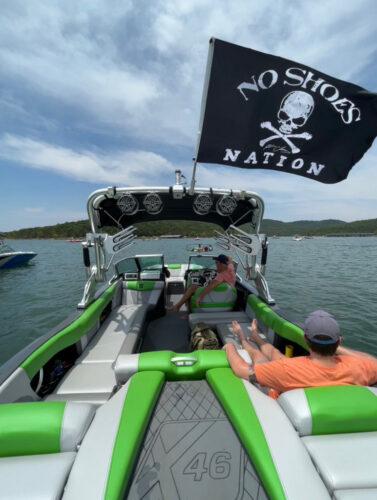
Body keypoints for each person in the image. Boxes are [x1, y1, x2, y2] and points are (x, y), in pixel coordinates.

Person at [224, 310, 377, 397]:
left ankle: (243, 337)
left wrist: (230, 346)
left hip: (283, 391)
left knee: (258, 355)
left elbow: (240, 369)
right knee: (276, 353)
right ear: (338, 341)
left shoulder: (286, 369)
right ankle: (255, 336)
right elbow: (372, 361)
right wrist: (334, 345)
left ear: (305, 339)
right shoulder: (358, 367)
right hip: (304, 374)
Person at [166, 254, 235, 317]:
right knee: (195, 287)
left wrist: (199, 296)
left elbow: (211, 286)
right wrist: (224, 259)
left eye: (216, 262)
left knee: (192, 288)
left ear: (220, 264)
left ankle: (186, 311)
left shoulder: (221, 276)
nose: (215, 264)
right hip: (226, 302)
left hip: (211, 301)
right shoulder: (231, 269)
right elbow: (230, 257)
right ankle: (178, 306)